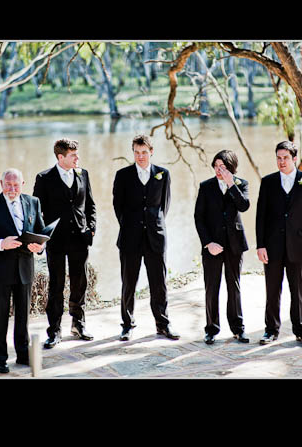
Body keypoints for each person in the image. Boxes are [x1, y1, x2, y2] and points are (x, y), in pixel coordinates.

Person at [0, 168, 46, 374]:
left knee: (23, 316)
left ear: (22, 185)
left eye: (16, 185)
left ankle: (23, 354)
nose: (12, 189)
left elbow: (40, 231)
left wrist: (40, 246)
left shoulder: (33, 202)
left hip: (25, 268)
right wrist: (0, 243)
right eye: (8, 185)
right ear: (1, 184)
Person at [112, 134, 179, 341]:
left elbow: (164, 206)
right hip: (130, 238)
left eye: (144, 152)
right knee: (128, 283)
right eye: (136, 152)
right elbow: (118, 206)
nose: (140, 156)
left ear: (151, 152)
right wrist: (130, 225)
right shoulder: (123, 175)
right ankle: (127, 325)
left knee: (159, 283)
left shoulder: (163, 174)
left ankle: (162, 324)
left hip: (155, 237)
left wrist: (153, 223)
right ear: (133, 152)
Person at [255, 141, 302, 347]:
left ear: (294, 159)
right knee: (272, 291)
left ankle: (301, 330)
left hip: (299, 247)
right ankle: (271, 330)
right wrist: (260, 245)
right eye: (278, 158)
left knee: (298, 291)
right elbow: (260, 217)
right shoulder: (268, 182)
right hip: (272, 247)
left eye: (285, 158)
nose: (281, 161)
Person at [33, 138, 97, 349]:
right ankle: (54, 330)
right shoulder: (44, 178)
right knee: (56, 285)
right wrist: (40, 238)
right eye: (73, 155)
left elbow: (90, 205)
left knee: (80, 283)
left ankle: (78, 324)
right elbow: (37, 212)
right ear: (60, 157)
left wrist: (91, 228)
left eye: (77, 154)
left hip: (80, 239)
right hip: (56, 241)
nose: (78, 158)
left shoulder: (83, 174)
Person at [194, 150, 251, 345]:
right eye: (216, 166)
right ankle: (211, 329)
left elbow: (244, 206)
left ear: (232, 168)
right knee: (212, 287)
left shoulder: (241, 184)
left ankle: (238, 329)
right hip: (213, 245)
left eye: (223, 167)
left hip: (234, 244)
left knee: (234, 287)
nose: (219, 170)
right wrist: (208, 243)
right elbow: (198, 218)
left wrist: (230, 184)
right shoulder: (206, 187)